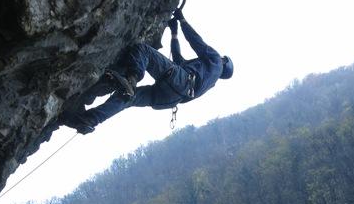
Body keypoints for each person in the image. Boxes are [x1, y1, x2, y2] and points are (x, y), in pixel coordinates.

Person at [63, 9, 234, 134]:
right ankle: (89, 120)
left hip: (179, 82)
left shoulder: (216, 61)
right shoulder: (207, 78)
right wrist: (174, 33)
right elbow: (178, 60)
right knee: (127, 98)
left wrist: (182, 21)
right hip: (171, 99)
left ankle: (132, 80)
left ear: (224, 62)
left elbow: (197, 42)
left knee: (143, 50)